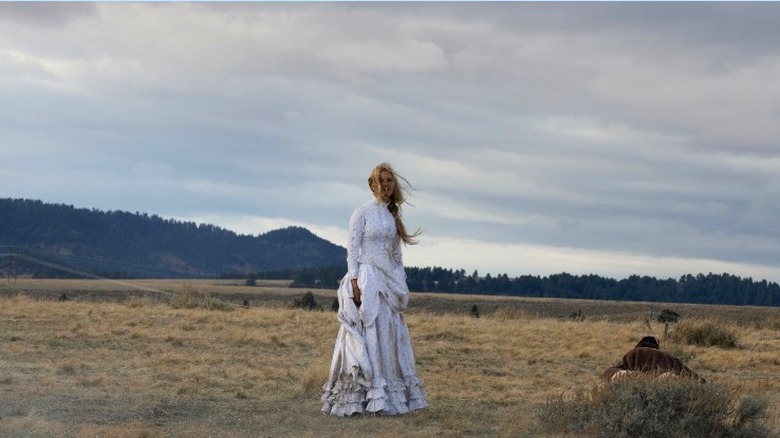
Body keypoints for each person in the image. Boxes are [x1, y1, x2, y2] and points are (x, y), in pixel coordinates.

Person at [321, 162, 428, 416]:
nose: (387, 184)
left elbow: (395, 253)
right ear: (372, 185)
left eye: (390, 180)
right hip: (368, 278)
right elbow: (352, 249)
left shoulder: (394, 216)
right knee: (369, 332)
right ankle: (363, 395)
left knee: (389, 334)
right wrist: (355, 283)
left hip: (389, 280)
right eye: (382, 180)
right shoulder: (362, 213)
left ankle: (389, 395)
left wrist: (400, 280)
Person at [600, 336, 705, 383]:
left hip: (637, 386)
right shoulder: (671, 358)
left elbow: (608, 372)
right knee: (668, 379)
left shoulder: (633, 353)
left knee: (622, 375)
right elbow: (696, 378)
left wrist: (619, 373)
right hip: (663, 383)